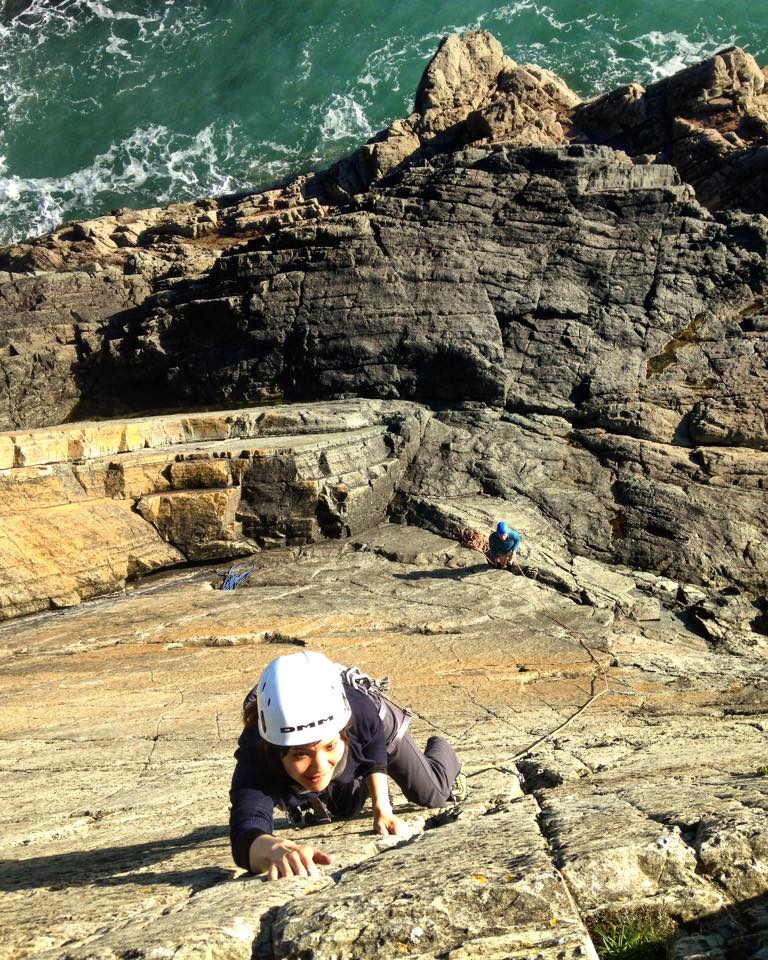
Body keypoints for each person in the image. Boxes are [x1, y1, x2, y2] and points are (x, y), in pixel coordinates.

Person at [229, 650, 463, 879]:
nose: (319, 766)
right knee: (344, 808)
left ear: (342, 733)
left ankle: (442, 750)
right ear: (275, 750)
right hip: (347, 747)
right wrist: (274, 849)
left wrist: (383, 809)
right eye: (300, 755)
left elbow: (374, 746)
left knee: (433, 794)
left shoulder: (358, 712)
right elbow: (246, 830)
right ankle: (340, 774)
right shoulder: (258, 753)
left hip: (376, 727)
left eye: (329, 746)